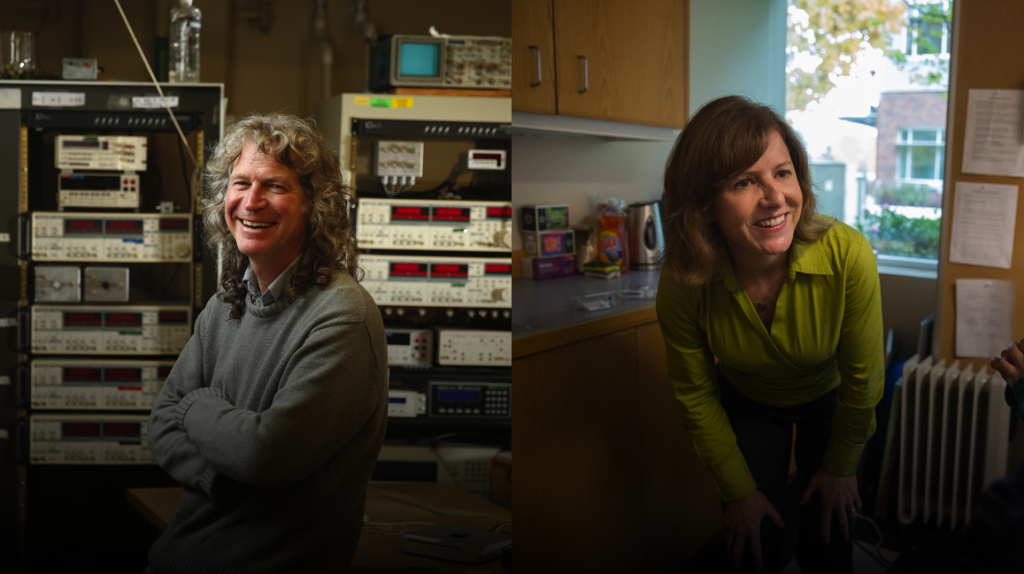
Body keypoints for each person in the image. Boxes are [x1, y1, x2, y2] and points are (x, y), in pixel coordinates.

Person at [145, 113, 389, 574]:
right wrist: (224, 476)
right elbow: (159, 424)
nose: (251, 202)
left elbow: (264, 455)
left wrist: (194, 406)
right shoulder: (227, 304)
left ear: (315, 206)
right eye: (240, 183)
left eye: (275, 186)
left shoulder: (341, 317)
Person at [657, 96, 884, 573]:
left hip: (832, 401)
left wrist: (842, 468)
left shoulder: (848, 254)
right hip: (749, 400)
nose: (776, 198)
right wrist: (736, 493)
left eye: (783, 173)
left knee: (829, 534)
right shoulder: (685, 278)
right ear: (703, 204)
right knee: (751, 539)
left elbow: (863, 381)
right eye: (744, 182)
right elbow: (696, 394)